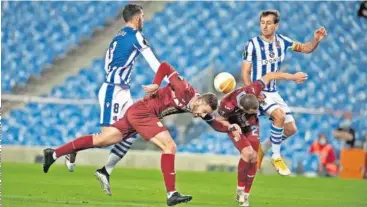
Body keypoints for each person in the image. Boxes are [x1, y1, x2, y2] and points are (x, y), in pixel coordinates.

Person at [43, 62, 239, 206]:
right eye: (203, 111)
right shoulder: (184, 88)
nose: (200, 116)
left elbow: (214, 123)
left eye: (204, 114)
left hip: (139, 113)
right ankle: (171, 193)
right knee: (169, 146)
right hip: (143, 113)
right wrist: (155, 83)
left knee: (102, 140)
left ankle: (53, 154)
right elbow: (165, 66)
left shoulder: (196, 107)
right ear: (201, 101)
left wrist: (229, 127)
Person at [65, 4, 167, 193]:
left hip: (122, 90)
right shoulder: (136, 35)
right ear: (137, 18)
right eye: (143, 16)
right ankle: (73, 148)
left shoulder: (118, 36)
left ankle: (106, 170)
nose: (144, 19)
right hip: (114, 90)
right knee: (106, 138)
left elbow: (108, 62)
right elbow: (153, 61)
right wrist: (169, 80)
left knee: (133, 130)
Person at [241, 9, 327, 175]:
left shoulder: (282, 41)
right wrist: (252, 91)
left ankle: (262, 149)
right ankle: (276, 156)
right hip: (259, 91)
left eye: (268, 23)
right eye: (262, 23)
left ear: (276, 25)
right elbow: (245, 72)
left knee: (290, 129)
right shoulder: (252, 44)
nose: (264, 26)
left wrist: (316, 40)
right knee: (279, 116)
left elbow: (305, 48)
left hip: (273, 92)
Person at [215, 71, 307, 206]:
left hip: (251, 125)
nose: (256, 113)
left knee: (254, 158)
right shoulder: (226, 105)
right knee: (247, 153)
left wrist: (293, 77)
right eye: (252, 112)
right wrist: (231, 126)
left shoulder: (253, 89)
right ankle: (240, 189)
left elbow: (270, 75)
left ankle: (246, 195)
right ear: (242, 108)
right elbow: (220, 120)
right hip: (235, 126)